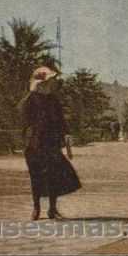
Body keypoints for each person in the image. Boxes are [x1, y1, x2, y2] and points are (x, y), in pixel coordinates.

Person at [18, 66, 81, 220]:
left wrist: (66, 133)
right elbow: (24, 118)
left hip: (51, 142)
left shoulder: (53, 99)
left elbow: (61, 119)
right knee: (36, 176)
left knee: (54, 175)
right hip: (33, 142)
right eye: (48, 81)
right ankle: (36, 208)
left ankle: (52, 209)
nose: (51, 84)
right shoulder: (29, 99)